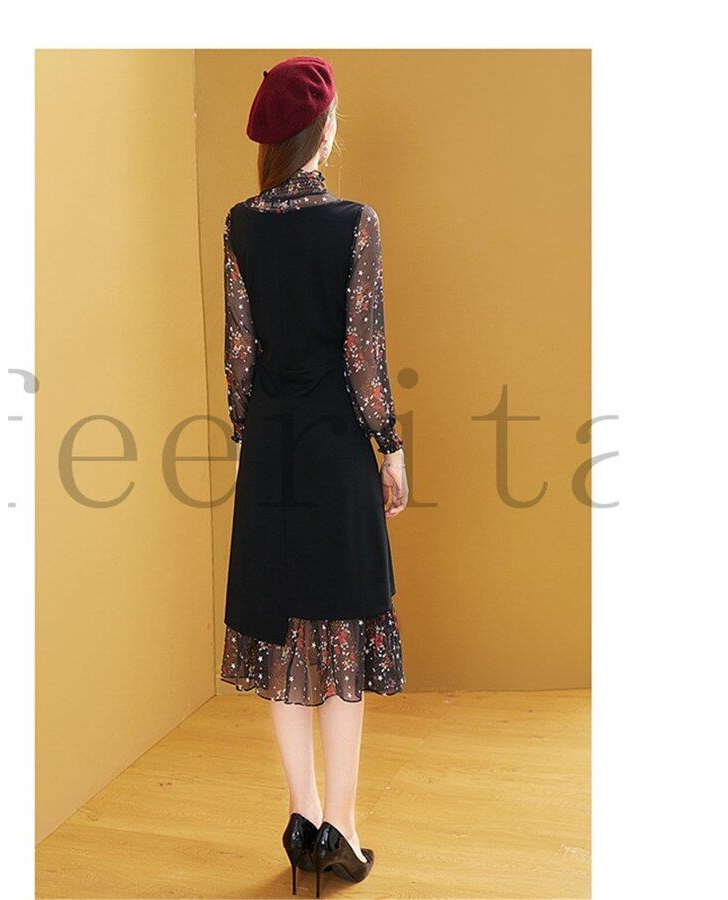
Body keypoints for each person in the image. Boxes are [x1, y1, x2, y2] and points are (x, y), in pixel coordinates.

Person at [219, 56, 408, 897]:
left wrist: (249, 436)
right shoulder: (355, 222)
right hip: (334, 449)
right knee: (340, 637)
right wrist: (389, 448)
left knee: (283, 637)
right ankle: (343, 829)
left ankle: (299, 822)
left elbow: (240, 357)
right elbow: (364, 355)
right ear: (321, 132)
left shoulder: (239, 225)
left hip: (270, 450)